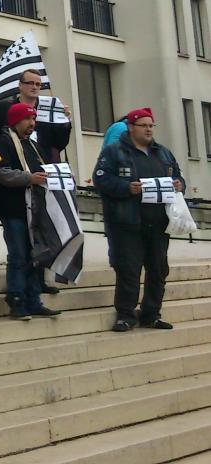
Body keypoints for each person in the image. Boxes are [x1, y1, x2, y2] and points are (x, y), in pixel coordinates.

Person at [94, 107, 186, 332]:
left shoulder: (163, 153)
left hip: (158, 224)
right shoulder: (114, 152)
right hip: (126, 223)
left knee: (158, 270)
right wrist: (126, 188)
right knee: (129, 270)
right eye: (143, 125)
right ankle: (125, 315)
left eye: (151, 125)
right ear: (131, 127)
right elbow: (101, 179)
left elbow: (178, 176)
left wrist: (178, 184)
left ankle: (151, 314)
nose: (148, 129)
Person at [0, 102, 63, 321]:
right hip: (13, 209)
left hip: (35, 210)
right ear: (15, 121)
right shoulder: (3, 141)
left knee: (34, 257)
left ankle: (34, 300)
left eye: (33, 119)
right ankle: (16, 299)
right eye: (27, 119)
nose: (32, 123)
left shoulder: (32, 145)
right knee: (18, 256)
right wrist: (28, 178)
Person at [0, 70, 71, 164]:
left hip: (44, 166)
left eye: (38, 84)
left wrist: (64, 122)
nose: (34, 87)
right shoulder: (3, 107)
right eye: (30, 83)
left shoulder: (49, 109)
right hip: (13, 164)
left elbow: (60, 143)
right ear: (20, 85)